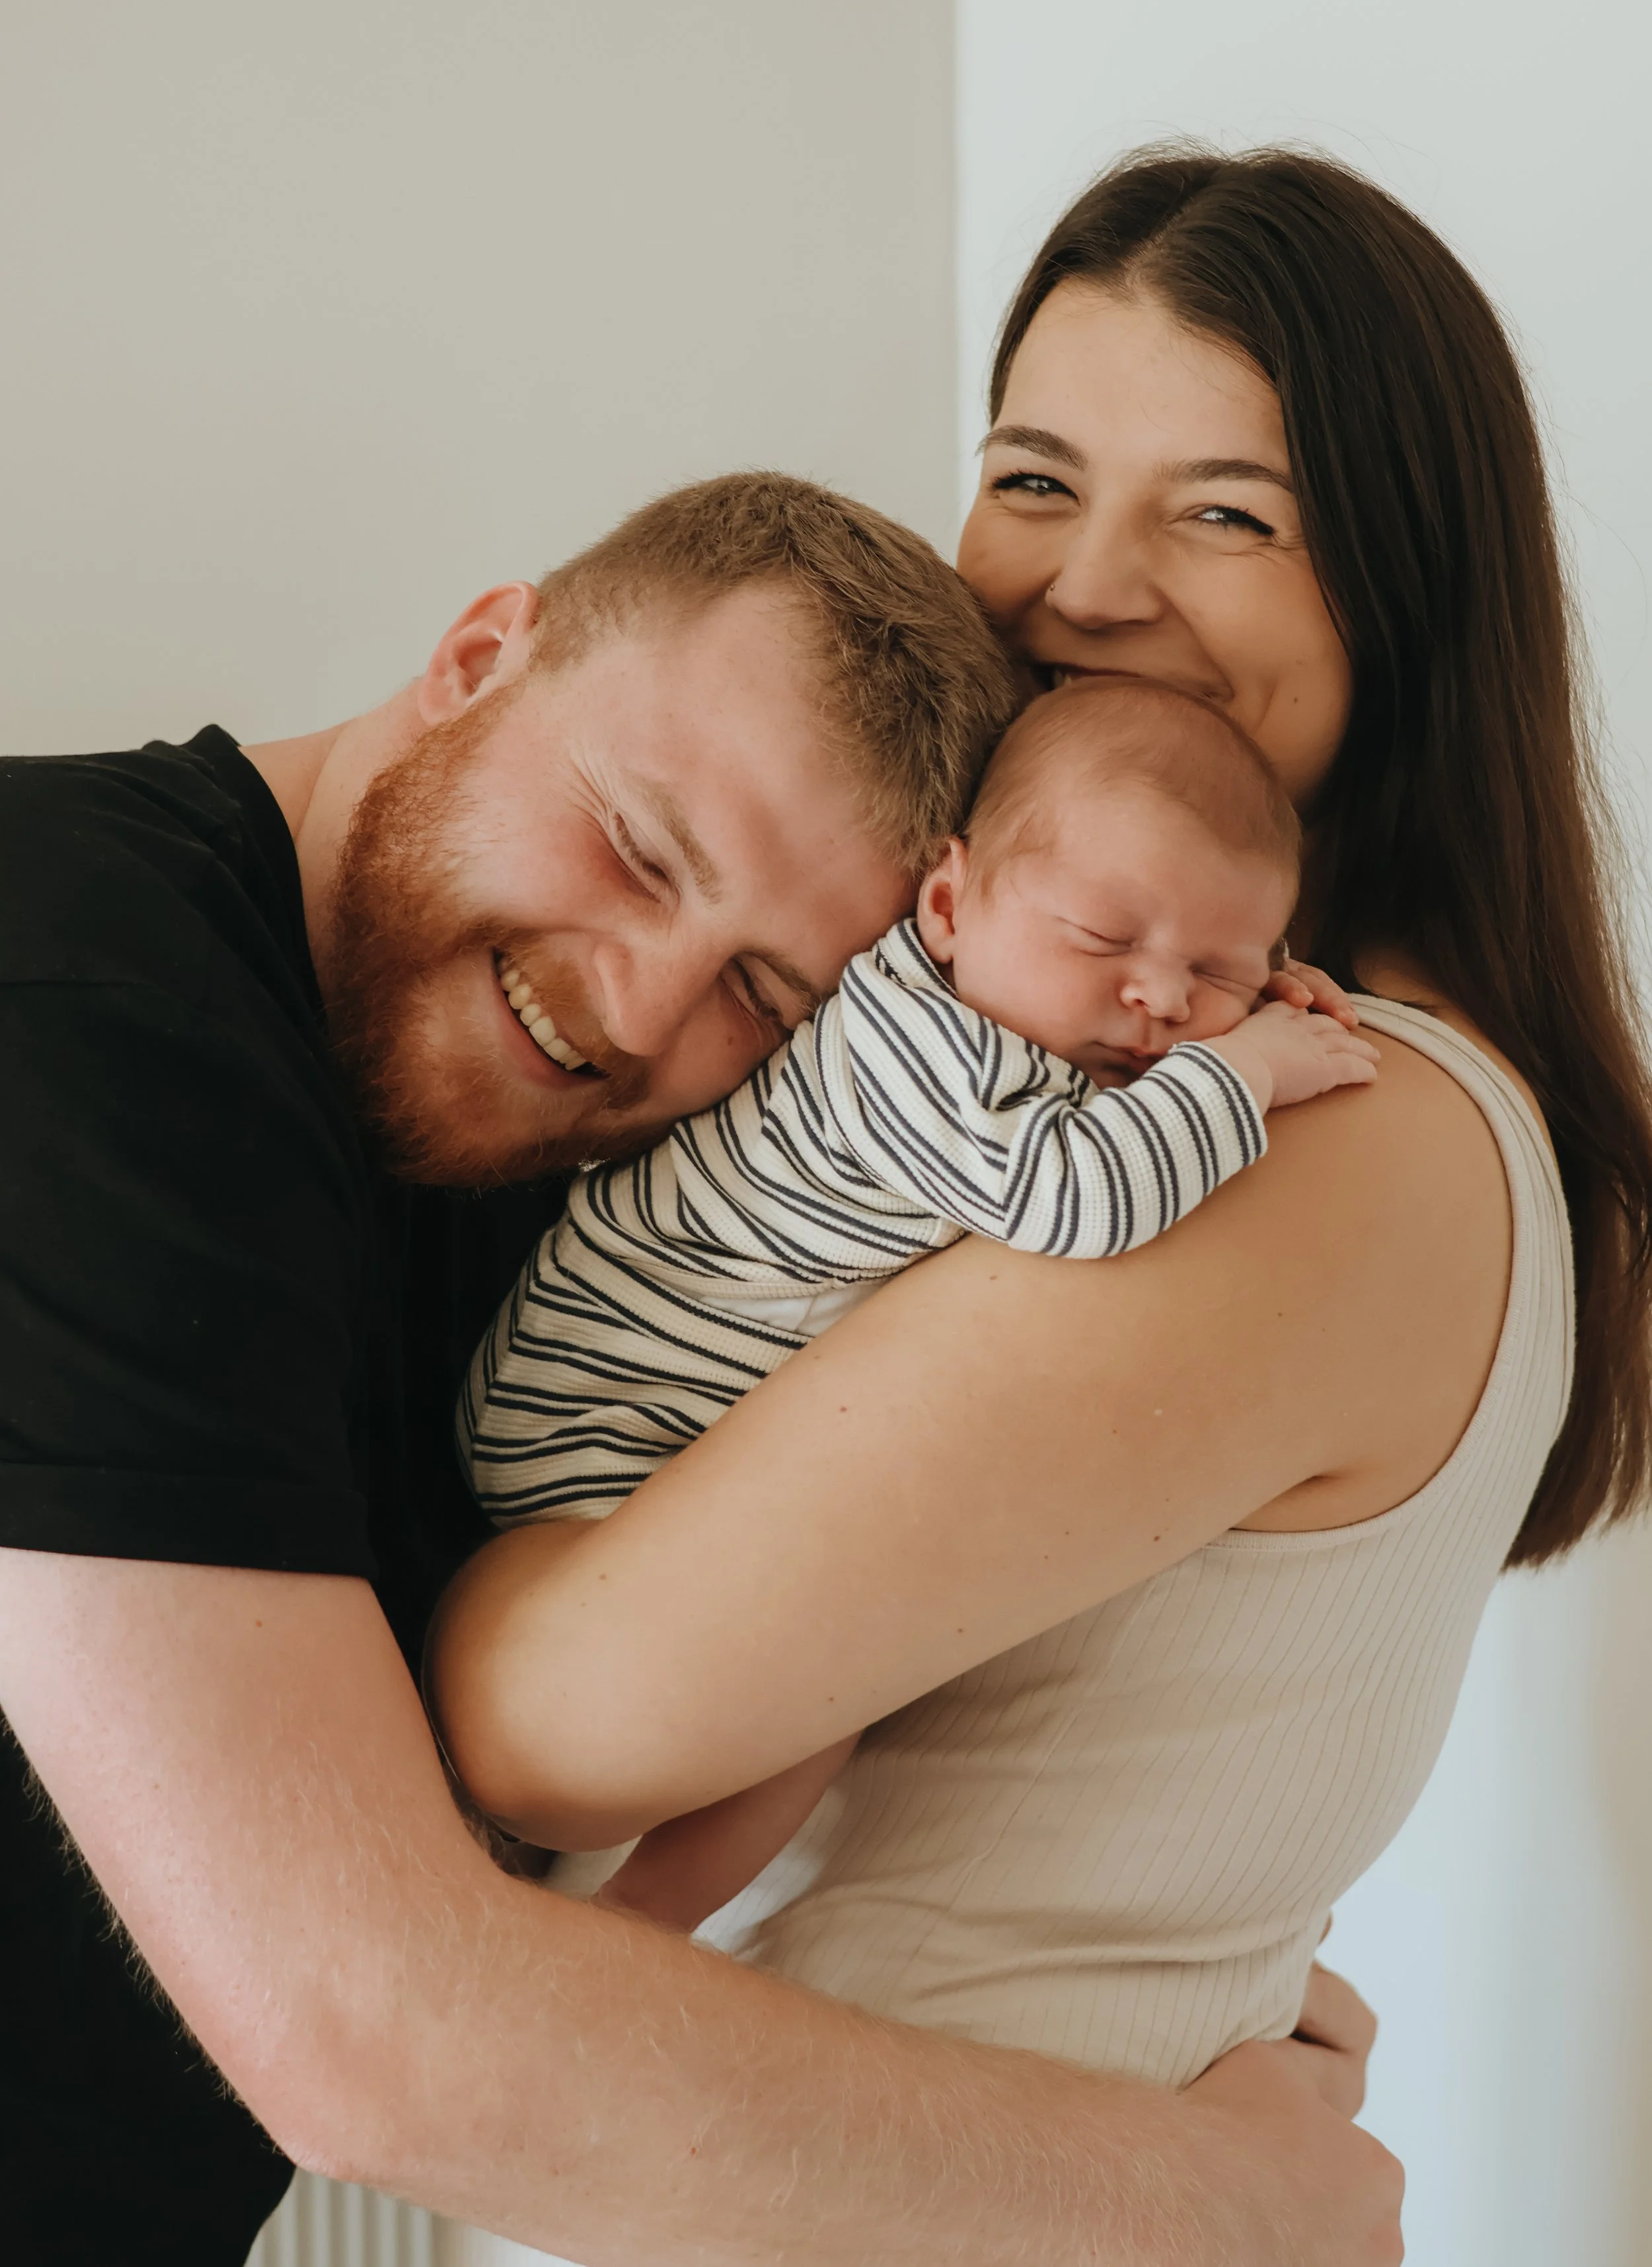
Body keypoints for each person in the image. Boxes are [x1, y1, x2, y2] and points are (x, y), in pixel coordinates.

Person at [0, 467, 1398, 2267]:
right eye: (640, 851)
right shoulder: (75, 988)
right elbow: (374, 2031)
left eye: (764, 991)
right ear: (478, 655)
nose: (639, 1012)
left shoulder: (540, 1153)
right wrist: (1213, 2198)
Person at [419, 150, 1652, 2113]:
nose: (1082, 586)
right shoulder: (1099, 1042)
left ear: (1404, 586)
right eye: (1032, 477)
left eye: (1226, 512)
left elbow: (546, 1724)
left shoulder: (1319, 1120)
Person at [437, 675, 1379, 1929]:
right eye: (1103, 938)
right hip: (598, 1419)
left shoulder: (1035, 1011)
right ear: (946, 904)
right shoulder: (917, 1046)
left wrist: (1265, 1000)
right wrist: (1243, 1071)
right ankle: (636, 1924)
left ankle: (621, 1915)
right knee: (821, 1685)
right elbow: (1072, 1197)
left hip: (655, 1423)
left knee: (823, 1684)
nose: (1159, 998)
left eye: (1216, 968)